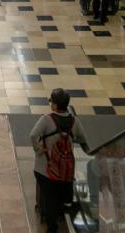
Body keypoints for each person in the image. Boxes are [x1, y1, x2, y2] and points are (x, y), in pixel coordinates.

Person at [29, 89, 88, 233]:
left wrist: (38, 149)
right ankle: (60, 213)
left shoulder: (46, 119)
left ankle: (51, 227)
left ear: (55, 105)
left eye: (51, 102)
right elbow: (83, 139)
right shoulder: (74, 121)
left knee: (48, 197)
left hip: (45, 167)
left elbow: (33, 135)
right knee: (60, 193)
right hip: (65, 168)